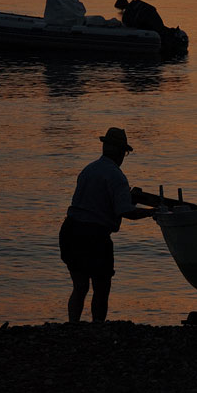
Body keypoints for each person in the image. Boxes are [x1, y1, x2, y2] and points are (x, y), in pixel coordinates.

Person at [59, 127, 154, 323]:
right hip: (94, 236)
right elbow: (126, 212)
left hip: (70, 230)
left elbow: (95, 202)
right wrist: (153, 212)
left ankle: (73, 325)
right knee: (101, 287)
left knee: (80, 287)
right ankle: (98, 327)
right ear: (121, 152)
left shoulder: (88, 170)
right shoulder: (117, 177)